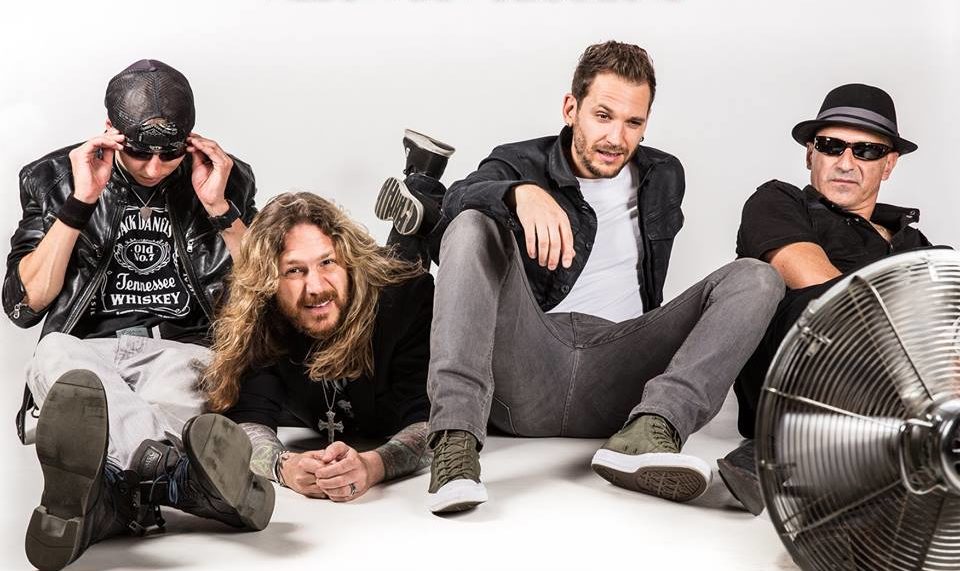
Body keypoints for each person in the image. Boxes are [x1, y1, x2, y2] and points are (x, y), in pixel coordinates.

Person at [423, 40, 784, 514]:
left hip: (621, 375)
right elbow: (455, 199)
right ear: (570, 108)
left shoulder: (663, 174)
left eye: (633, 122)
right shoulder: (519, 161)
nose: (616, 137)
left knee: (758, 277)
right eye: (602, 116)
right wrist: (518, 193)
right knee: (471, 221)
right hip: (529, 366)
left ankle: (652, 429)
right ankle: (454, 443)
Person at [4, 59, 273, 570]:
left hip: (181, 352)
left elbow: (268, 294)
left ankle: (112, 500)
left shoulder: (226, 176)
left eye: (169, 153)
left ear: (190, 138)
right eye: (138, 151)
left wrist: (220, 208)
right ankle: (177, 479)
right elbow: (24, 305)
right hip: (86, 358)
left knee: (196, 373)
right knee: (54, 354)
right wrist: (81, 201)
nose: (153, 167)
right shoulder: (53, 177)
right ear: (110, 129)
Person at [722, 83, 933, 515]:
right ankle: (788, 453)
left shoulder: (918, 246)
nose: (846, 163)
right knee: (821, 304)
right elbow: (821, 289)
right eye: (831, 146)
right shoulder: (778, 202)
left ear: (889, 164)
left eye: (867, 151)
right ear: (809, 154)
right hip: (794, 378)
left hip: (898, 401)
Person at [204, 191, 435, 501]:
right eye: (294, 270)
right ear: (269, 280)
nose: (315, 287)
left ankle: (423, 193)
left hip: (388, 295)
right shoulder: (259, 314)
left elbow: (431, 421)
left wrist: (374, 466)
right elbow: (248, 418)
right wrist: (284, 466)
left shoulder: (406, 297)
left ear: (347, 260)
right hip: (320, 417)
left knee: (406, 254)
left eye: (327, 262)